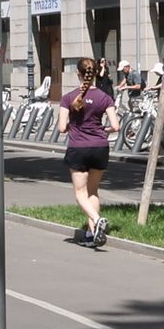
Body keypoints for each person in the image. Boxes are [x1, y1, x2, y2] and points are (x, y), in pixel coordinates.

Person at [59, 58, 116, 248]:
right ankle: (92, 235)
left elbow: (61, 128)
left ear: (78, 74)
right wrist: (103, 130)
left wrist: (71, 126)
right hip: (100, 147)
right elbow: (115, 126)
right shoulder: (105, 97)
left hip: (78, 148)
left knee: (79, 193)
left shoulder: (68, 98)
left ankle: (97, 219)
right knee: (93, 192)